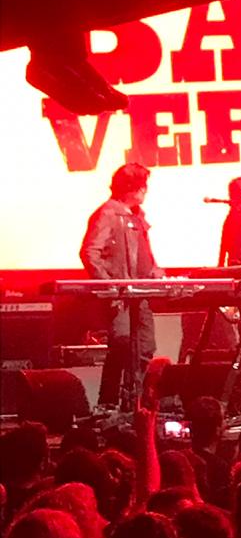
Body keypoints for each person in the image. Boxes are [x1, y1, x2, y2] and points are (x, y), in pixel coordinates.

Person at [80, 162, 162, 409]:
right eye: (142, 186)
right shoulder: (108, 214)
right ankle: (110, 404)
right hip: (121, 297)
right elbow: (90, 252)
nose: (146, 191)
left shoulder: (137, 216)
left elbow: (144, 254)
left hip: (141, 295)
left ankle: (134, 403)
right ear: (131, 188)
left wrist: (157, 272)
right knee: (123, 346)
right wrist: (110, 286)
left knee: (145, 347)